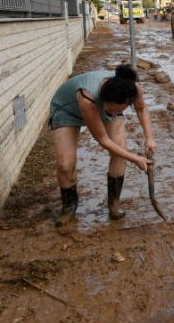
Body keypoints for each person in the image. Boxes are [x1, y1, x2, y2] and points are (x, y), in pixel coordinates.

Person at [48, 64, 156, 224]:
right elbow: (103, 140)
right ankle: (69, 206)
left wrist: (149, 137)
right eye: (109, 109)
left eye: (116, 110)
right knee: (65, 164)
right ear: (104, 99)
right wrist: (136, 158)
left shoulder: (133, 87)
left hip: (107, 103)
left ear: (127, 101)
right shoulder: (88, 98)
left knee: (120, 152)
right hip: (67, 110)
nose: (110, 114)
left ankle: (114, 203)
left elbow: (141, 108)